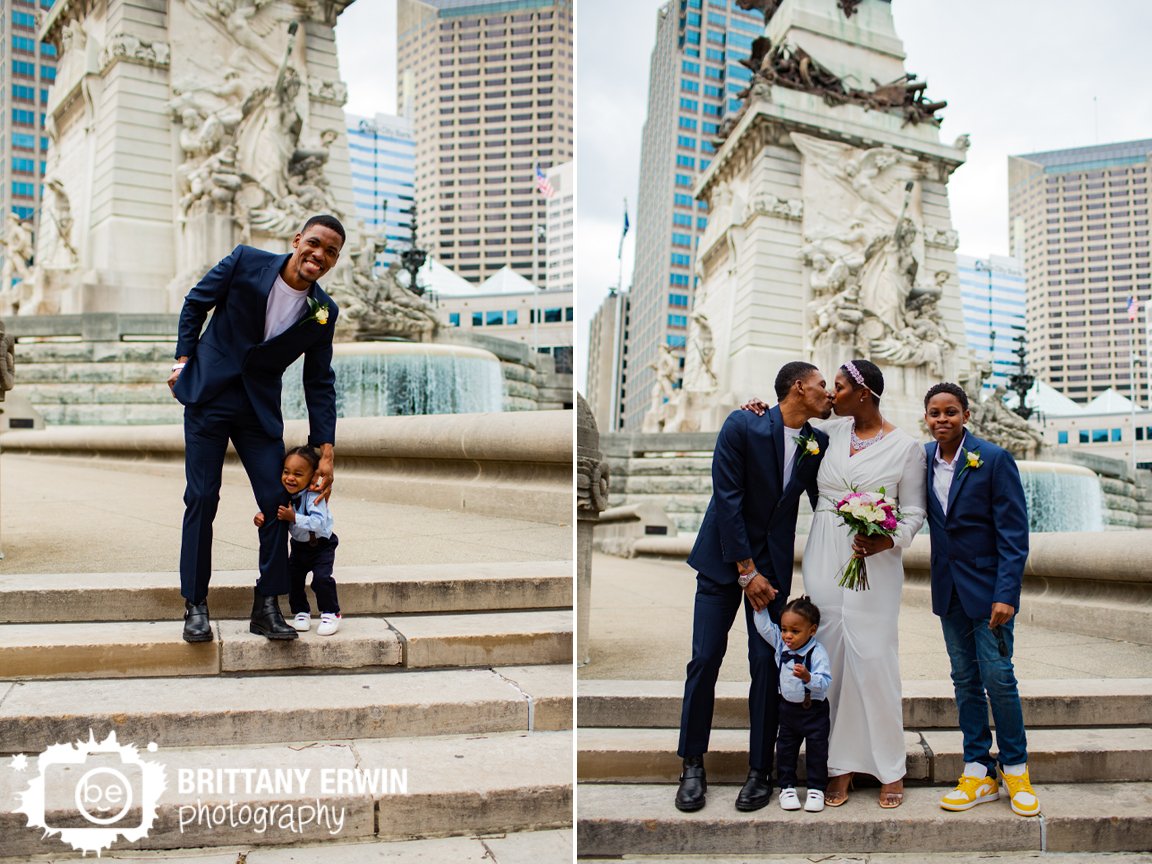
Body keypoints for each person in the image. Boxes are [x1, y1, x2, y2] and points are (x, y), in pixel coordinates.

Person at [170, 214, 343, 643]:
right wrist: (183, 359)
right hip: (209, 395)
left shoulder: (323, 312)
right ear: (298, 239)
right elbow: (196, 302)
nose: (319, 255)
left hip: (258, 411)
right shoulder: (246, 261)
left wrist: (326, 448)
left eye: (331, 252)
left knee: (276, 500)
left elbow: (319, 380)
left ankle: (266, 605)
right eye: (315, 244)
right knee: (202, 498)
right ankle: (195, 604)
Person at [675, 361, 832, 813]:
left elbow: (826, 503)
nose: (828, 394)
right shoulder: (742, 423)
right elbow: (727, 497)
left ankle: (761, 771)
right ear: (799, 388)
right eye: (822, 386)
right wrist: (746, 569)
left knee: (768, 665)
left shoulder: (817, 442)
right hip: (724, 565)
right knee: (704, 659)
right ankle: (692, 766)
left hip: (774, 574)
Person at [923, 382, 1038, 817]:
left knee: (999, 679)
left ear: (966, 416)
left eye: (950, 412)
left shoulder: (993, 459)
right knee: (964, 680)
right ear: (927, 417)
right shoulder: (921, 460)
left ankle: (1016, 768)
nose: (942, 420)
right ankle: (977, 768)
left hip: (990, 593)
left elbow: (1014, 534)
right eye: (934, 413)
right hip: (948, 590)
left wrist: (1006, 593)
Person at [752, 595, 832, 813]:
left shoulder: (817, 653)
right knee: (786, 750)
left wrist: (808, 677)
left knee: (817, 751)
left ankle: (816, 788)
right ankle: (786, 787)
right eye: (785, 629)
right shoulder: (782, 644)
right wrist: (759, 609)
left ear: (812, 631)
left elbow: (825, 682)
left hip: (813, 711)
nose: (787, 636)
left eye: (795, 631)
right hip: (787, 711)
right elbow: (766, 629)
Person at [254, 445, 341, 636]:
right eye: (286, 472)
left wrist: (293, 518)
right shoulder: (286, 495)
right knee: (294, 579)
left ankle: (331, 612)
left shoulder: (315, 496)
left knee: (322, 579)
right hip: (300, 547)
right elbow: (274, 512)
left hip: (322, 546)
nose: (290, 478)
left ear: (311, 477)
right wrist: (261, 516)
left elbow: (318, 523)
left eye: (298, 474)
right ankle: (301, 612)